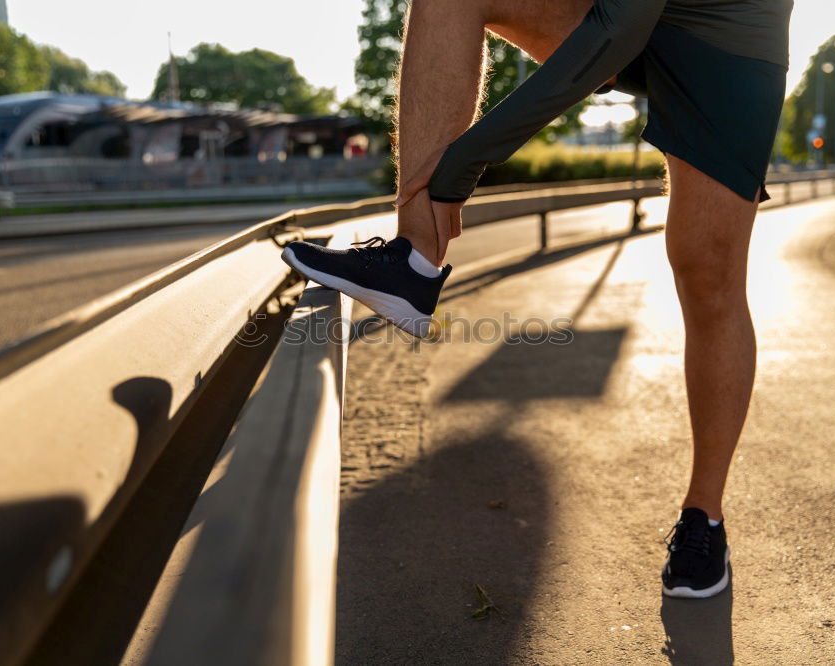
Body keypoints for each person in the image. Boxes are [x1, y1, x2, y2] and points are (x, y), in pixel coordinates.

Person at [282, 0, 793, 598]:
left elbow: (617, 30)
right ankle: (414, 262)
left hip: (727, 43)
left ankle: (704, 516)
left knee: (708, 277)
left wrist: (465, 161)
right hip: (629, 12)